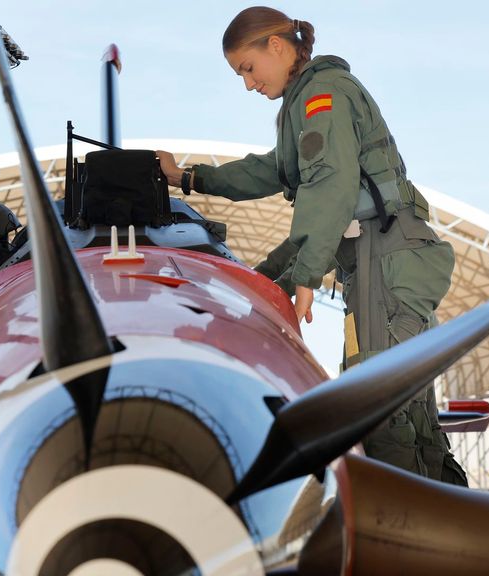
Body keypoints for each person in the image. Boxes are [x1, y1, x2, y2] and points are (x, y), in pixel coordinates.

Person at [157, 6, 467, 485]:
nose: (248, 84)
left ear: (277, 47)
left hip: (385, 259)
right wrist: (188, 177)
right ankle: (444, 524)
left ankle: (404, 538)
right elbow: (269, 170)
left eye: (247, 68)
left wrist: (304, 277)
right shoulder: (302, 104)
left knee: (379, 414)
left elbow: (330, 186)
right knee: (405, 416)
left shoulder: (323, 95)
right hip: (379, 261)